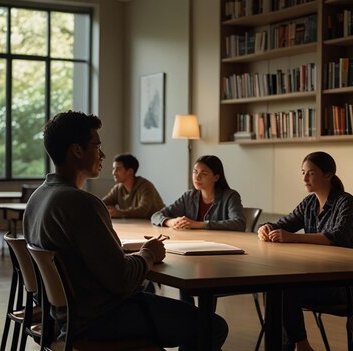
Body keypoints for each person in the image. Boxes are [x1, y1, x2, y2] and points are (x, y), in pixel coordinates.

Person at [23, 110, 228, 350]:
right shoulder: (82, 204)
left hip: (63, 316)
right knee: (212, 326)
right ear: (77, 150)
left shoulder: (38, 198)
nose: (102, 154)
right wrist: (148, 253)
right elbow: (121, 280)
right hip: (100, 319)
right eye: (96, 146)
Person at [257, 151, 353, 351]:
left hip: (340, 287)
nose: (305, 178)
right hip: (314, 279)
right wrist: (265, 227)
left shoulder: (346, 202)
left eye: (311, 173)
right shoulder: (309, 203)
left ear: (328, 174)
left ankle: (301, 345)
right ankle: (292, 346)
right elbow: (283, 224)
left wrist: (294, 237)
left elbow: (337, 237)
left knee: (283, 289)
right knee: (274, 289)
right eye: (303, 172)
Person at [151, 155, 246, 231]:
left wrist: (198, 224)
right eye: (195, 172)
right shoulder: (189, 196)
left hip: (223, 245)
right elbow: (156, 216)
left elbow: (239, 223)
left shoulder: (230, 196)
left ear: (216, 177)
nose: (197, 177)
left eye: (203, 173)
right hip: (194, 243)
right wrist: (171, 222)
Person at [102, 153, 165, 219]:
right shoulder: (118, 188)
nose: (114, 172)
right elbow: (102, 203)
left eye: (118, 169)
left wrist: (118, 213)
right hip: (136, 224)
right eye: (113, 168)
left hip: (156, 225)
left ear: (130, 171)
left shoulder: (146, 186)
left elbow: (142, 211)